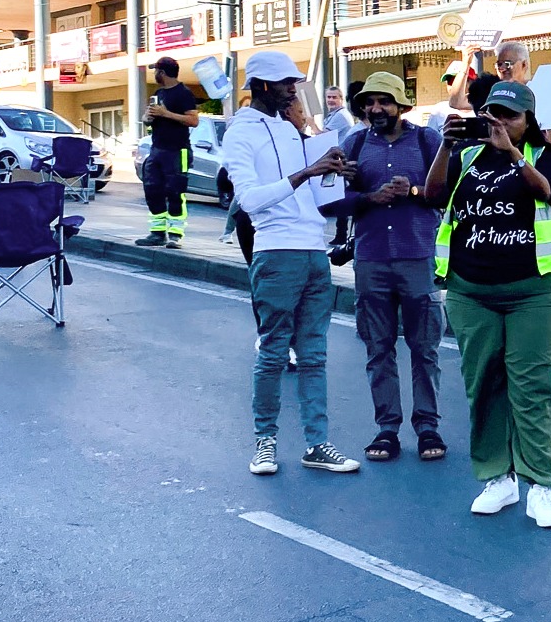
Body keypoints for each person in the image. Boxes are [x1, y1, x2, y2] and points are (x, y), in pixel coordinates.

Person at [426, 81, 551, 527]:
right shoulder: (467, 157)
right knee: (483, 384)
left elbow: (548, 193)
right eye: (493, 113)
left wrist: (512, 153)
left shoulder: (546, 156)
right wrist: (444, 147)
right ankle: (498, 477)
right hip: (472, 291)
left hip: (535, 292)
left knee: (531, 387)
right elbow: (434, 196)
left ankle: (540, 485)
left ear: (528, 121)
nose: (500, 123)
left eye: (510, 116)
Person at [226, 50, 360, 477]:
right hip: (275, 251)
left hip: (312, 251)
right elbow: (249, 200)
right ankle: (264, 444)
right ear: (263, 86)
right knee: (272, 353)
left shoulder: (288, 130)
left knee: (315, 355)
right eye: (287, 83)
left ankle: (317, 444)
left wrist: (334, 174)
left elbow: (312, 198)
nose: (294, 89)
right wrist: (308, 171)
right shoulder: (239, 133)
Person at [330, 71, 445, 464]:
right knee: (378, 349)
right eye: (368, 102)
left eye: (383, 102)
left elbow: (446, 193)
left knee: (424, 348)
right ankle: (387, 428)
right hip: (371, 259)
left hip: (418, 257)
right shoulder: (355, 143)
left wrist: (412, 191)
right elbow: (330, 202)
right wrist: (365, 195)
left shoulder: (429, 141)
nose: (375, 109)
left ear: (402, 105)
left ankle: (428, 425)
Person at [136, 56, 200, 249]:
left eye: (156, 71)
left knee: (175, 191)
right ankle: (157, 234)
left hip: (177, 150)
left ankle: (175, 235)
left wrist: (166, 114)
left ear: (162, 72)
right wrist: (148, 117)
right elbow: (149, 120)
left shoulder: (184, 93)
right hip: (157, 149)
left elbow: (193, 121)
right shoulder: (159, 93)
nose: (154, 74)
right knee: (152, 189)